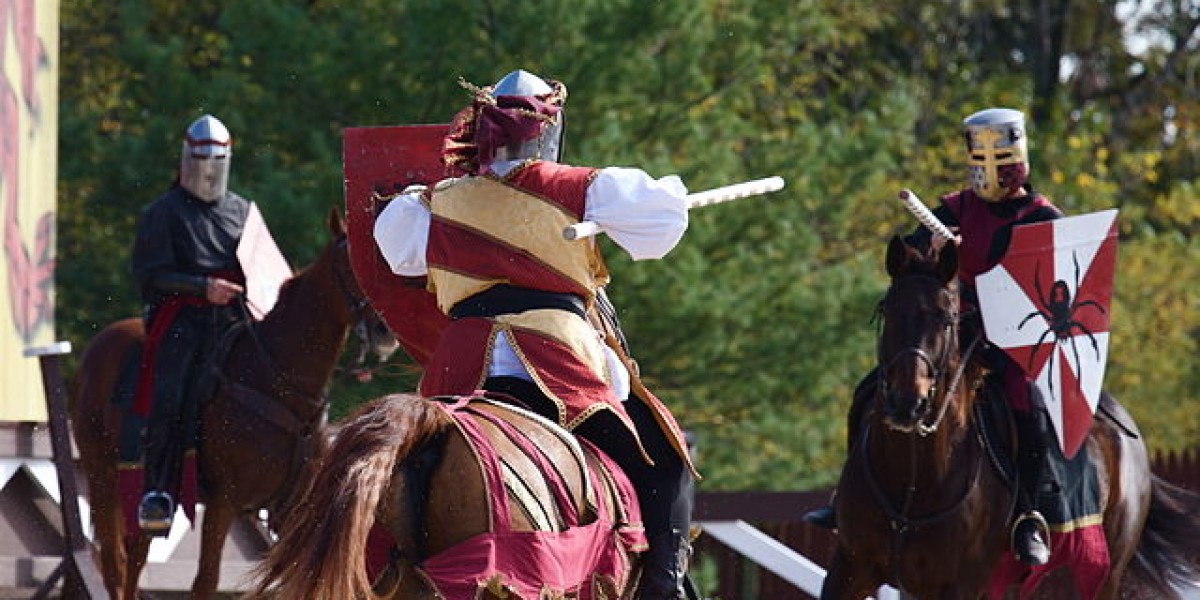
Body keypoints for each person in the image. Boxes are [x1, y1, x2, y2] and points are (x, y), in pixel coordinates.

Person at [374, 69, 699, 599]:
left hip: (459, 363)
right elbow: (662, 226)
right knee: (663, 452)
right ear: (547, 130)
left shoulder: (431, 202)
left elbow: (399, 254)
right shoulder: (582, 187)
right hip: (555, 355)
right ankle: (664, 581)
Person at [804, 108, 1062, 567]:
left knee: (1029, 407)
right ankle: (847, 496)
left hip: (1008, 339)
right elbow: (909, 257)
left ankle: (1028, 514)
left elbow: (1054, 289)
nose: (987, 171)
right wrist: (934, 248)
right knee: (871, 391)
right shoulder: (954, 209)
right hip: (946, 333)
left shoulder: (1041, 218)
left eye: (996, 161)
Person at [130, 114, 250, 534]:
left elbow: (261, 263)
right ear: (187, 158)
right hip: (181, 320)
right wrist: (202, 287)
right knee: (171, 394)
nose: (210, 167)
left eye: (218, 158)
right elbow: (149, 275)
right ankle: (156, 490)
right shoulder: (163, 213)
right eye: (202, 158)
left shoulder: (242, 211)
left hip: (235, 319)